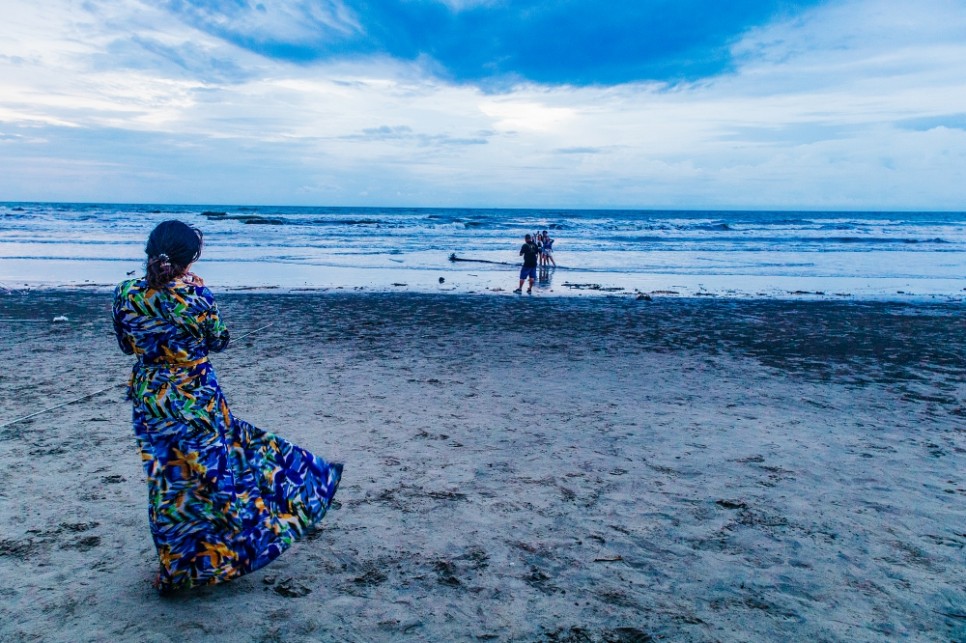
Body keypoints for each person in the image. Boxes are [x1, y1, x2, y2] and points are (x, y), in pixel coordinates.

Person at [112, 220, 342, 594]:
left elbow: (126, 346)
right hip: (198, 398)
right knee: (215, 476)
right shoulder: (198, 296)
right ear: (191, 260)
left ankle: (177, 569)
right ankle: (211, 559)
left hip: (152, 402)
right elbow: (218, 340)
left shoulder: (125, 293)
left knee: (168, 483)